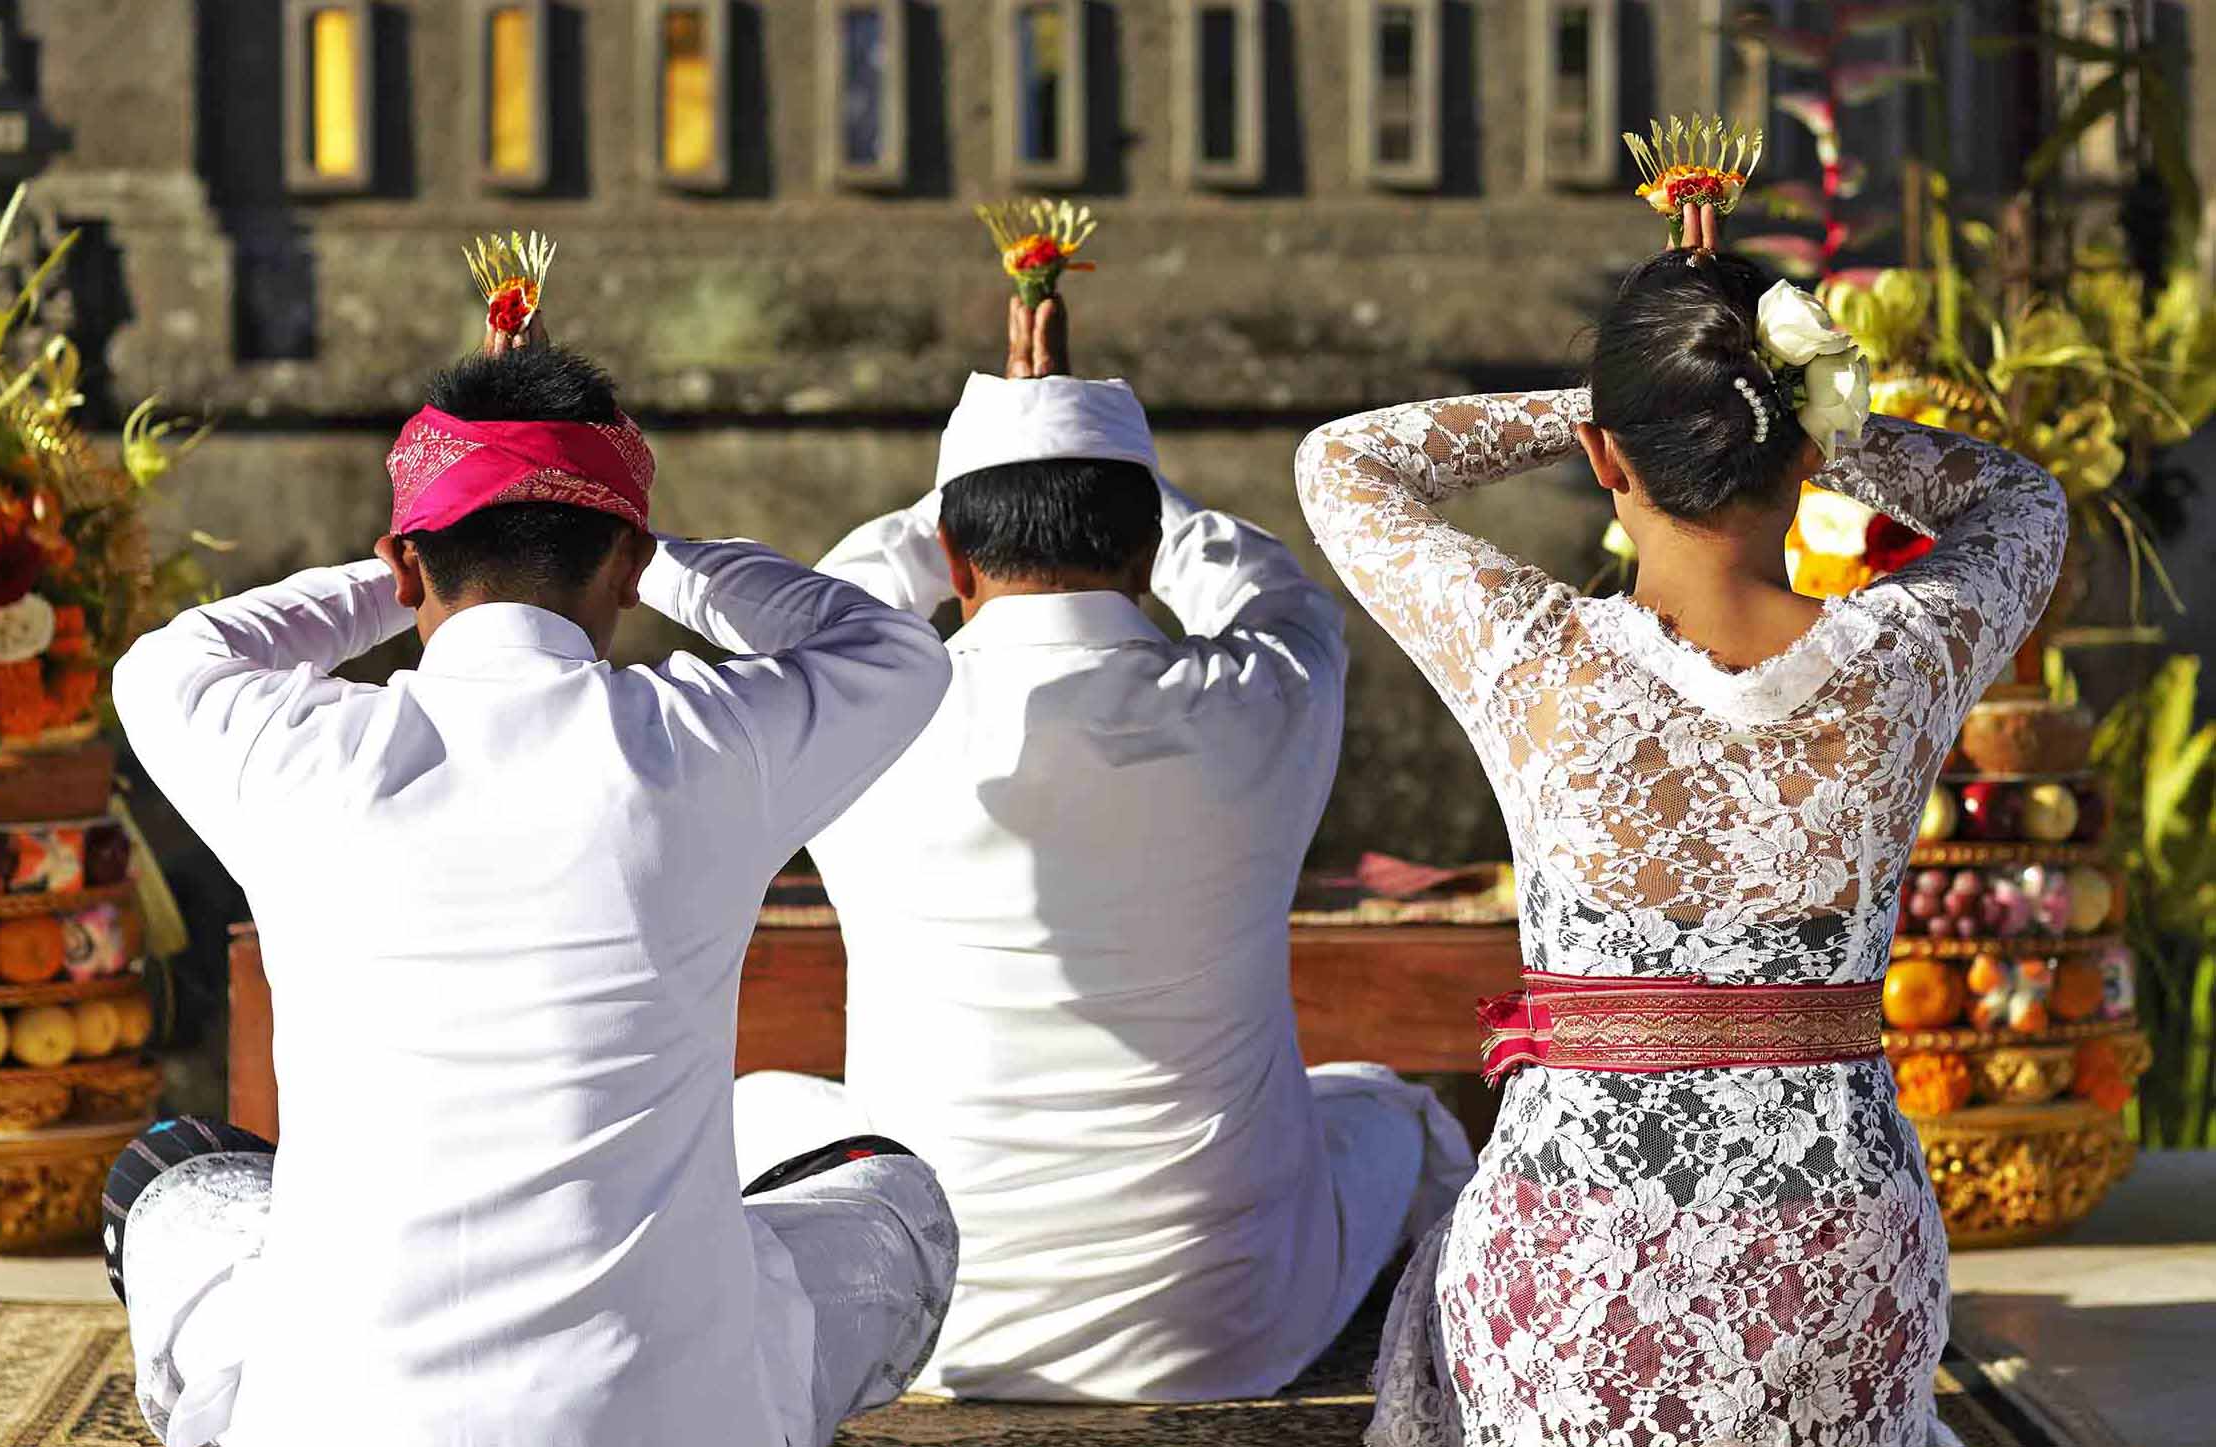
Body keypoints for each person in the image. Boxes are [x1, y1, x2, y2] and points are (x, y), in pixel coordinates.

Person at [104, 317, 959, 1447]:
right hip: (666, 1421)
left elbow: (164, 663)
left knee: (169, 1177)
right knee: (890, 1194)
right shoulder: (706, 743)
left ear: (405, 561)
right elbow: (894, 652)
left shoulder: (294, 752)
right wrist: (661, 552)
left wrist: (403, 569)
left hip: (339, 1421)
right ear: (626, 568)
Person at [1298, 204, 2067, 1447]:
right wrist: (1791, 417)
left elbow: (1342, 462)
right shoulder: (1904, 657)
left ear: (1606, 460)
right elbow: (2020, 498)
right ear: (1803, 442)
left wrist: (1616, 405)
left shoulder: (1528, 656)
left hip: (1571, 1260)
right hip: (1834, 1265)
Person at [734, 297, 1475, 1403]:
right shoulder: (1261, 699)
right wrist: (1094, 447)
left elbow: (832, 609)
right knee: (1387, 1108)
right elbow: (1278, 594)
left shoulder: (857, 720)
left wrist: (999, 448)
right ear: (1148, 552)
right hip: (1222, 1326)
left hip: (932, 1319)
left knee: (753, 1106)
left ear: (951, 557)